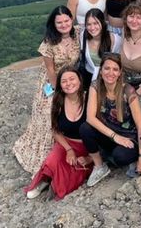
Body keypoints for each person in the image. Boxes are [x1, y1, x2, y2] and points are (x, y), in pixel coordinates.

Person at [13, 6, 82, 174]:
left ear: (71, 20)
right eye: (59, 22)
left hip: (73, 78)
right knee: (48, 112)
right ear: (54, 24)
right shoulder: (48, 42)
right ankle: (44, 155)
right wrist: (59, 91)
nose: (64, 25)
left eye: (66, 20)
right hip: (54, 81)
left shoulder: (78, 34)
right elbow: (50, 70)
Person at [24, 67, 92, 200]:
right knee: (52, 160)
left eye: (72, 79)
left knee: (71, 175)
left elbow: (98, 132)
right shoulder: (58, 100)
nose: (69, 83)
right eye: (64, 81)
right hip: (65, 143)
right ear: (60, 85)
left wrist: (90, 158)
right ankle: (45, 179)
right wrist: (69, 149)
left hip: (87, 147)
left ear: (80, 80)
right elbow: (55, 129)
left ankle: (54, 183)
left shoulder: (89, 98)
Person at [79, 53, 141, 186]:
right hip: (111, 134)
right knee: (85, 128)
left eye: (115, 69)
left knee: (120, 157)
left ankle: (120, 157)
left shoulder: (128, 91)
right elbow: (90, 118)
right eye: (107, 68)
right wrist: (115, 136)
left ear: (120, 72)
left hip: (130, 136)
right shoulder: (95, 86)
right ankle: (99, 166)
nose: (111, 73)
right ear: (101, 70)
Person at [79, 8, 121, 90]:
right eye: (89, 24)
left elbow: (119, 62)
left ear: (102, 22)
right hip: (88, 77)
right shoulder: (83, 36)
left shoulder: (114, 39)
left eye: (96, 23)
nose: (92, 27)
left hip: (108, 79)